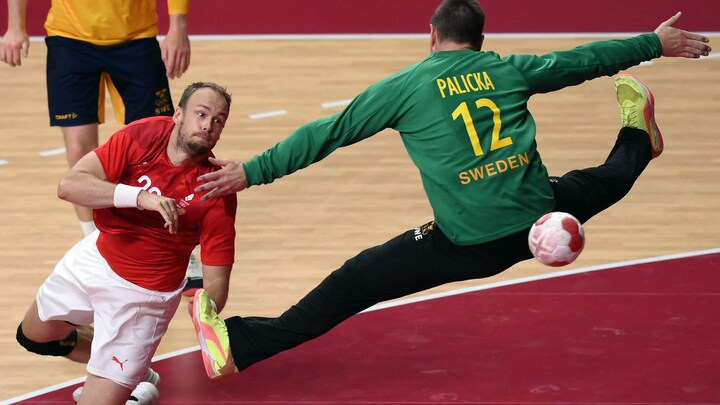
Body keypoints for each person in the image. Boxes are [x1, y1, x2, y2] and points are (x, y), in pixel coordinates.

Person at [189, 0, 711, 380]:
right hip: (540, 215)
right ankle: (639, 134)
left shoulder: (406, 87)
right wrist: (654, 44)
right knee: (603, 182)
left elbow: (328, 133)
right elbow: (583, 60)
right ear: (481, 39)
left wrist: (253, 170)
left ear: (431, 35)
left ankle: (236, 345)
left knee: (354, 282)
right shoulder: (508, 69)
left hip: (467, 244)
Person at [15, 82, 236, 405]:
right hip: (96, 257)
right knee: (34, 337)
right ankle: (135, 372)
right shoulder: (145, 135)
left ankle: (123, 371)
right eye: (201, 114)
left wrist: (206, 308)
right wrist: (140, 197)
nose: (208, 126)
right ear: (178, 114)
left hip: (143, 298)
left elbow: (217, 280)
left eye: (218, 121)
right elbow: (70, 186)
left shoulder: (215, 189)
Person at [0, 0, 203, 292]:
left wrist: (178, 27)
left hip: (136, 37)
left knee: (160, 146)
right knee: (79, 153)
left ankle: (176, 247)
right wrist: (15, 27)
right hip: (69, 39)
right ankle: (94, 244)